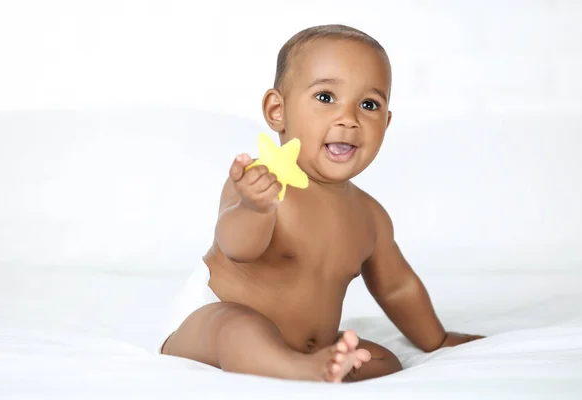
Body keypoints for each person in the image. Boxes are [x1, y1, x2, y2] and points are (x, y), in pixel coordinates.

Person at [159, 24, 483, 383]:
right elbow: (237, 248)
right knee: (235, 327)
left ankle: (320, 366)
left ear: (386, 122)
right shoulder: (260, 181)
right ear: (277, 110)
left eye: (369, 104)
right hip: (208, 323)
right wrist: (255, 209)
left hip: (308, 345)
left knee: (383, 361)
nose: (349, 118)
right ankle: (299, 369)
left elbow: (397, 287)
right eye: (326, 97)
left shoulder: (369, 216)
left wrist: (435, 340)